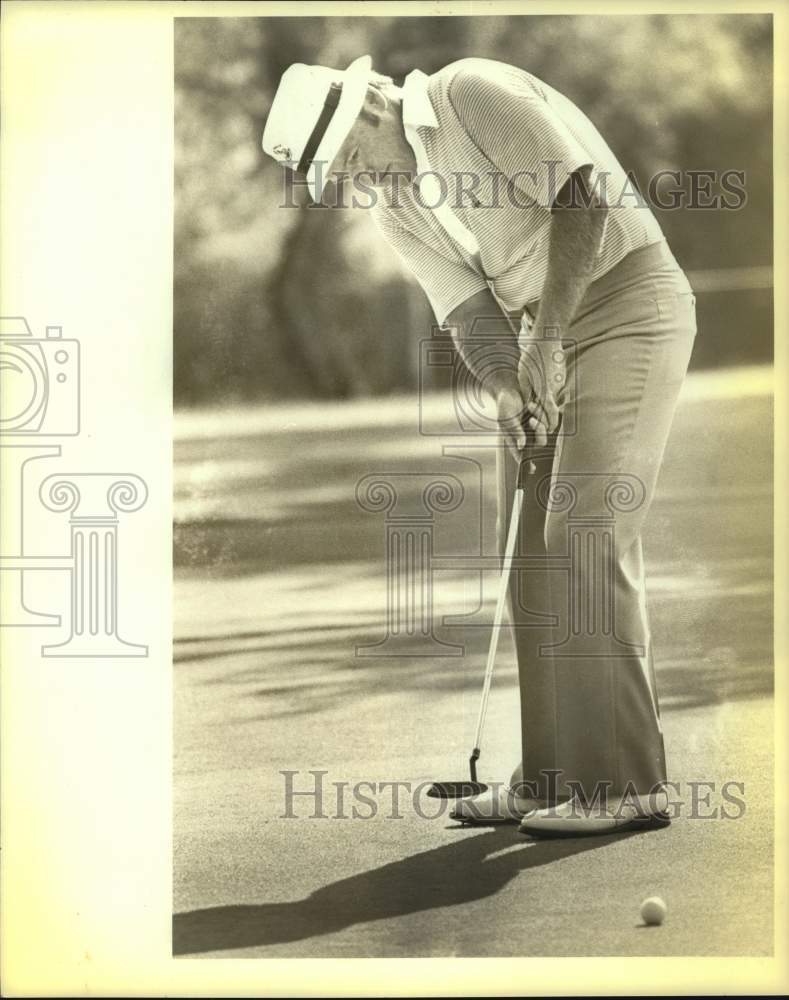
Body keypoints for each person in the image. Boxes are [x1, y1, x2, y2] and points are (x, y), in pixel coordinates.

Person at [262, 54, 697, 836]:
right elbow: (466, 311)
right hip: (542, 334)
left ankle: (627, 783)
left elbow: (582, 199)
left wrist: (547, 346)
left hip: (630, 301)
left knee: (582, 532)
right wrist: (506, 385)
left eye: (352, 163)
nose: (355, 185)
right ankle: (549, 778)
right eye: (341, 180)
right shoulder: (394, 208)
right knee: (528, 555)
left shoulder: (470, 94)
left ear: (367, 110)